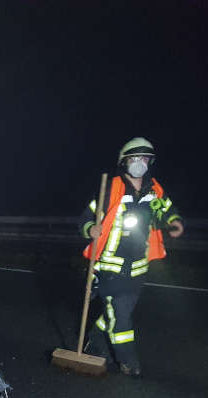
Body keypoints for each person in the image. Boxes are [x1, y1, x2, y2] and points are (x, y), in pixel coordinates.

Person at [79, 137, 184, 376]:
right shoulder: (111, 189)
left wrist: (174, 222)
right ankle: (128, 361)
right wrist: (90, 229)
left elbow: (166, 210)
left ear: (150, 162)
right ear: (124, 162)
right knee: (121, 315)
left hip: (137, 269)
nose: (139, 163)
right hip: (109, 269)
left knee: (117, 312)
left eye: (144, 158)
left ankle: (94, 341)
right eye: (134, 158)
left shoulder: (154, 190)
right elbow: (85, 218)